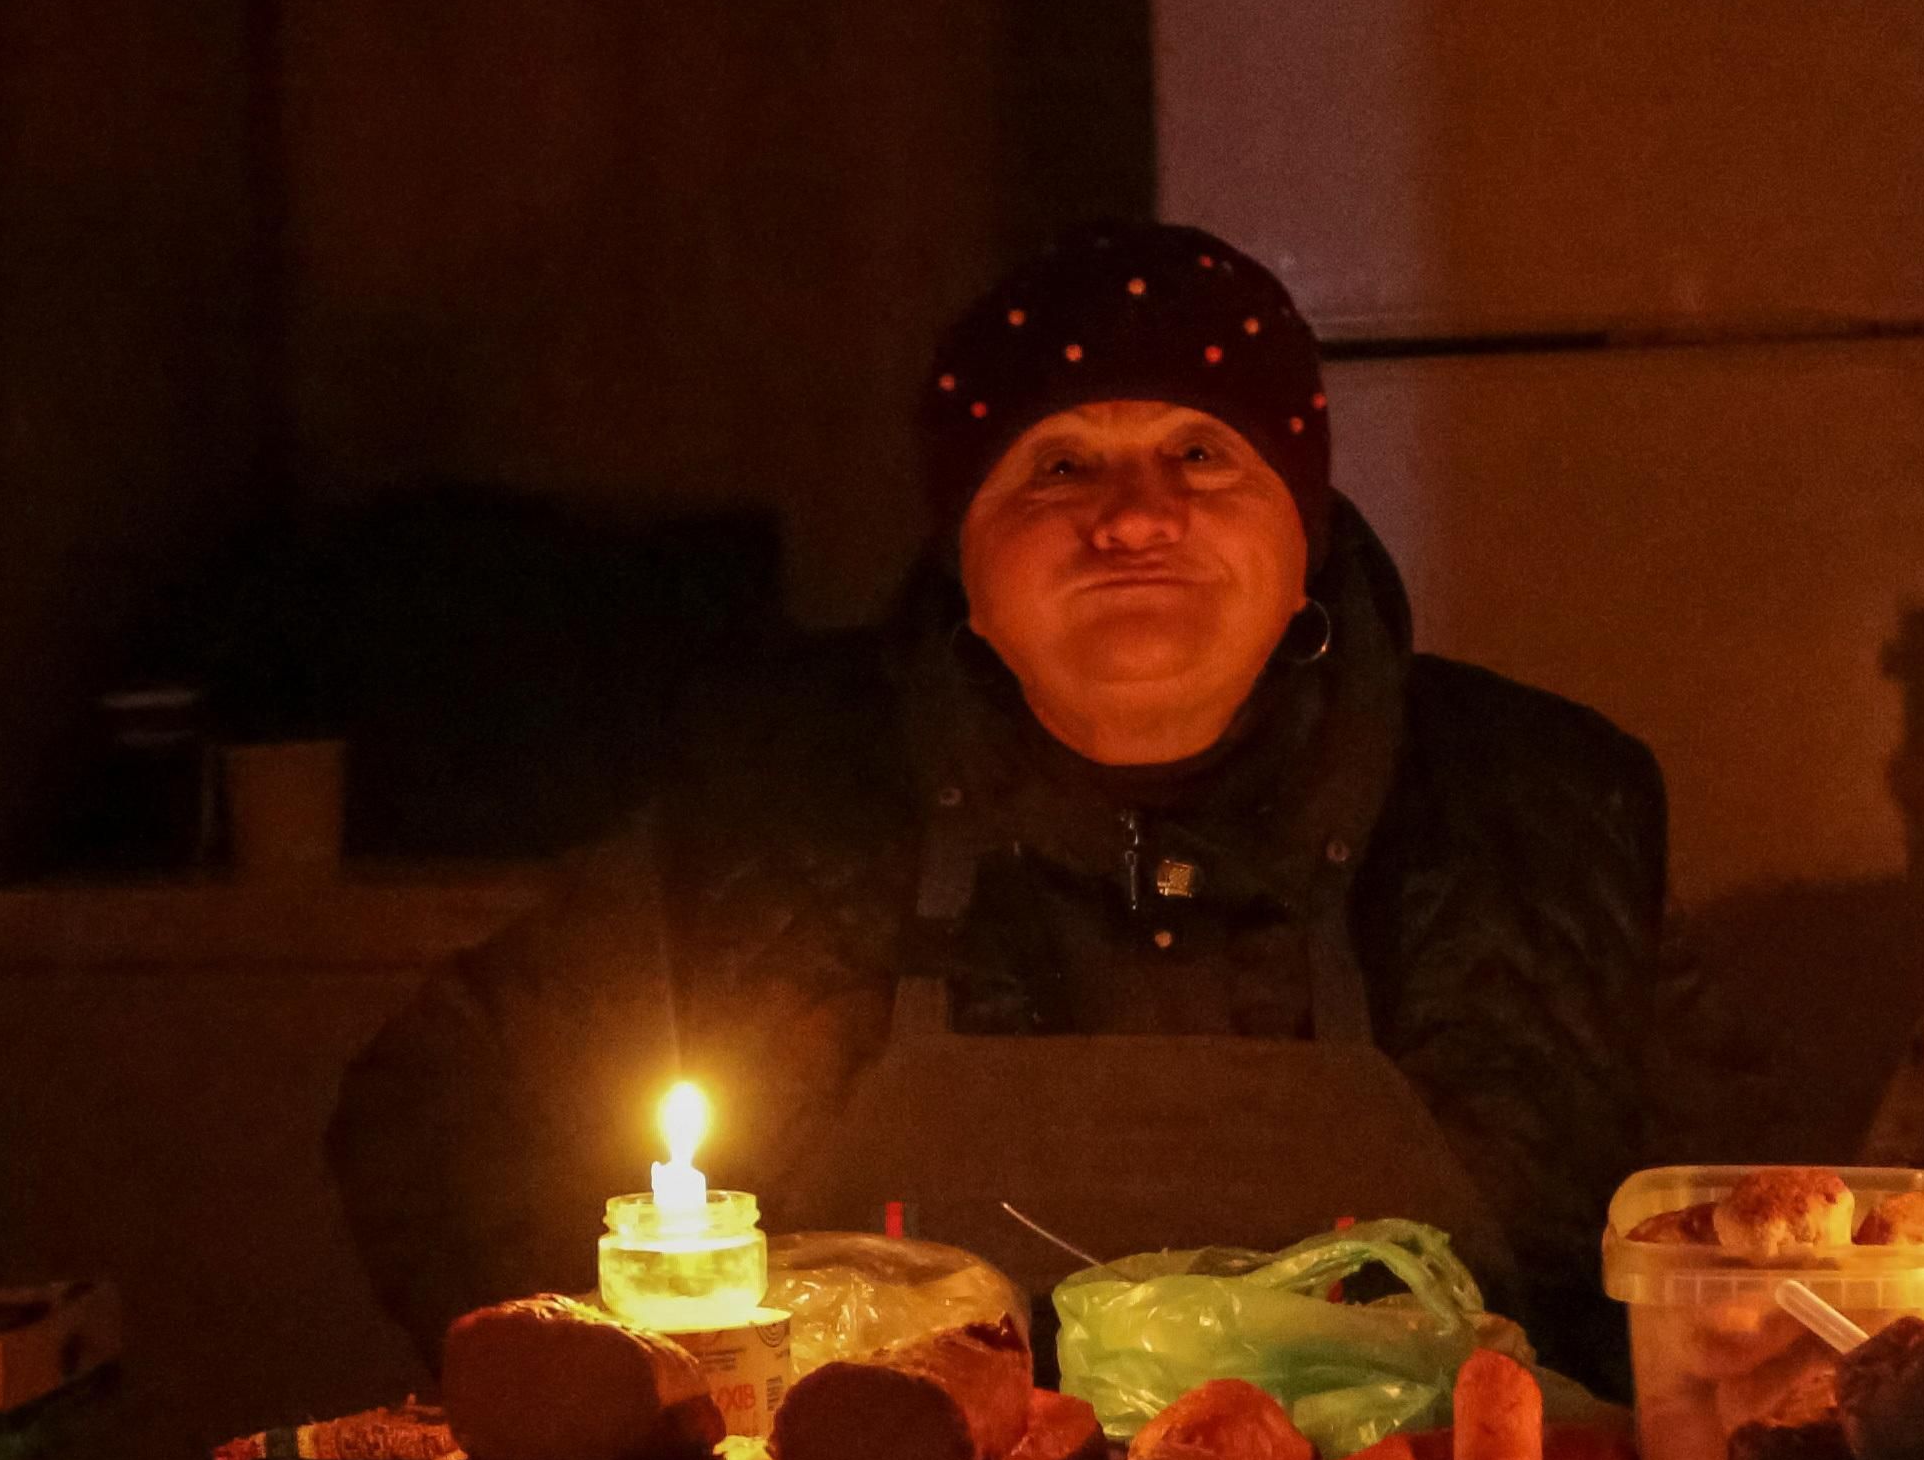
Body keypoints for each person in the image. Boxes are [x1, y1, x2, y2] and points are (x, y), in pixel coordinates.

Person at [329, 221, 1666, 1380]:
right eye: (1059, 466)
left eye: (1204, 455)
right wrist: (612, 1412)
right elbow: (432, 1119)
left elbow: (1726, 1234)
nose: (1134, 518)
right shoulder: (772, 799)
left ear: (1301, 527)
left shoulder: (1539, 809)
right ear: (963, 547)